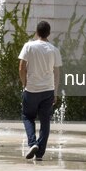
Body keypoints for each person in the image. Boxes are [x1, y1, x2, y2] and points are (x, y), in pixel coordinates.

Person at [18, 20, 62, 161]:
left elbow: (21, 67)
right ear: (49, 33)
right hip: (48, 90)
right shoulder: (54, 49)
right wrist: (55, 92)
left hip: (31, 89)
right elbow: (56, 73)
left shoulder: (29, 46)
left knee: (27, 117)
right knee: (45, 121)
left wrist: (24, 82)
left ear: (36, 32)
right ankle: (40, 153)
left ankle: (32, 143)